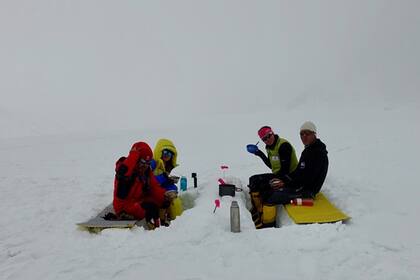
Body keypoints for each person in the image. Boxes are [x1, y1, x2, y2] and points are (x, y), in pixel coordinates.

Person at [263, 121, 329, 226]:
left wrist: (285, 184)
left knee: (272, 197)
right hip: (300, 186)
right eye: (301, 134)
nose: (304, 137)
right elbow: (299, 171)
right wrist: (284, 180)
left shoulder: (318, 153)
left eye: (307, 133)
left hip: (308, 191)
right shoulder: (308, 150)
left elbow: (307, 179)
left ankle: (268, 227)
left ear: (314, 134)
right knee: (269, 189)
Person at [246, 126, 298, 229]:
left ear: (272, 133)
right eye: (264, 139)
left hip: (289, 177)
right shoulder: (269, 147)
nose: (267, 140)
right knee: (253, 180)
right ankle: (259, 211)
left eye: (268, 136)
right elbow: (272, 165)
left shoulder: (283, 146)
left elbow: (285, 170)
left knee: (266, 190)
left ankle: (268, 223)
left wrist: (269, 183)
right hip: (279, 174)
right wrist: (259, 153)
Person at [113, 141, 167, 229]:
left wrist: (165, 197)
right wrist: (134, 154)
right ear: (137, 159)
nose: (145, 166)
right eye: (143, 161)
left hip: (137, 201)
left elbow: (154, 187)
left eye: (148, 163)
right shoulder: (125, 168)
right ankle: (155, 229)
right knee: (150, 209)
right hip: (123, 207)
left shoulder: (146, 172)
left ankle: (159, 227)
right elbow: (124, 172)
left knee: (156, 203)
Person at [153, 138, 183, 226]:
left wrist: (169, 181)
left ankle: (177, 221)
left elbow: (161, 180)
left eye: (169, 153)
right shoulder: (153, 163)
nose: (167, 155)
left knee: (174, 196)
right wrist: (165, 178)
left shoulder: (166, 165)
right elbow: (150, 180)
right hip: (152, 191)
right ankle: (176, 223)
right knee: (172, 201)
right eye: (165, 152)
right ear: (159, 152)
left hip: (160, 188)